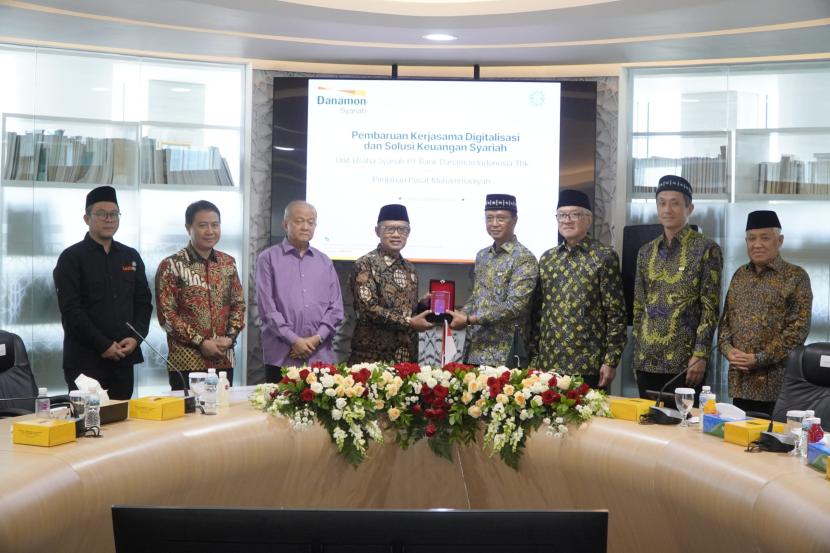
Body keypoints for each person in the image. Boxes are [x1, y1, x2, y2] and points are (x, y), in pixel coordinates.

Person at [53, 186, 152, 399]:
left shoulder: (130, 256)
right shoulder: (71, 258)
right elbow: (71, 311)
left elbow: (144, 303)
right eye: (101, 214)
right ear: (86, 218)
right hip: (85, 361)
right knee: (89, 426)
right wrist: (104, 345)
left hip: (123, 359)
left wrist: (136, 338)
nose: (109, 219)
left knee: (123, 425)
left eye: (114, 214)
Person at [632, 175, 723, 400]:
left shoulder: (706, 249)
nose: (667, 209)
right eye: (661, 202)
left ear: (689, 207)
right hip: (647, 359)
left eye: (674, 203)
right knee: (647, 426)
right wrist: (637, 355)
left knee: (685, 428)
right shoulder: (646, 251)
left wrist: (700, 354)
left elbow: (710, 308)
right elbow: (638, 306)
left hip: (685, 363)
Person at [718, 210, 812, 417]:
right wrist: (728, 350)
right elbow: (725, 322)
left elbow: (798, 331)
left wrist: (759, 358)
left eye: (764, 238)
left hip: (777, 385)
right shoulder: (740, 275)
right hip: (740, 382)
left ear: (779, 241)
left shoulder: (796, 277)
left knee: (771, 444)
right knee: (738, 441)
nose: (757, 244)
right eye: (751, 238)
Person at [530, 190, 626, 390]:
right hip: (550, 364)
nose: (567, 220)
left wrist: (611, 360)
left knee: (590, 421)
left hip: (588, 364)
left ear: (588, 220)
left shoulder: (604, 257)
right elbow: (538, 313)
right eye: (562, 215)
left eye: (575, 214)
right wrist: (534, 358)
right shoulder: (547, 259)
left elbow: (616, 314)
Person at [155, 200, 245, 389]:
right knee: (189, 417)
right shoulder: (171, 265)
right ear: (189, 228)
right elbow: (167, 316)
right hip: (186, 360)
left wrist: (230, 337)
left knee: (221, 413)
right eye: (203, 225)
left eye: (215, 225)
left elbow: (238, 304)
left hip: (223, 358)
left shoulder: (228, 263)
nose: (210, 231)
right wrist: (201, 342)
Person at [256, 200, 344, 381]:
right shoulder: (268, 258)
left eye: (311, 222)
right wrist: (294, 340)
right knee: (278, 408)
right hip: (282, 355)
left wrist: (316, 338)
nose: (305, 227)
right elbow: (267, 309)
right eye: (299, 221)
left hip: (319, 356)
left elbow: (336, 308)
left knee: (321, 409)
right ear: (285, 224)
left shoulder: (324, 261)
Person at [448, 194, 538, 367]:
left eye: (501, 218)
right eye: (489, 218)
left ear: (514, 220)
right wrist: (460, 314)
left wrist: (469, 320)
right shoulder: (482, 255)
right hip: (475, 349)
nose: (494, 223)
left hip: (505, 354)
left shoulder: (524, 258)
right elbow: (477, 297)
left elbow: (515, 305)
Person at [349, 204, 433, 364]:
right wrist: (409, 322)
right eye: (389, 229)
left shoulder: (410, 268)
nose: (396, 235)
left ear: (408, 233)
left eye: (402, 230)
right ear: (377, 231)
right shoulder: (365, 264)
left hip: (406, 355)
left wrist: (422, 305)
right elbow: (368, 309)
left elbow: (404, 310)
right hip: (372, 358)